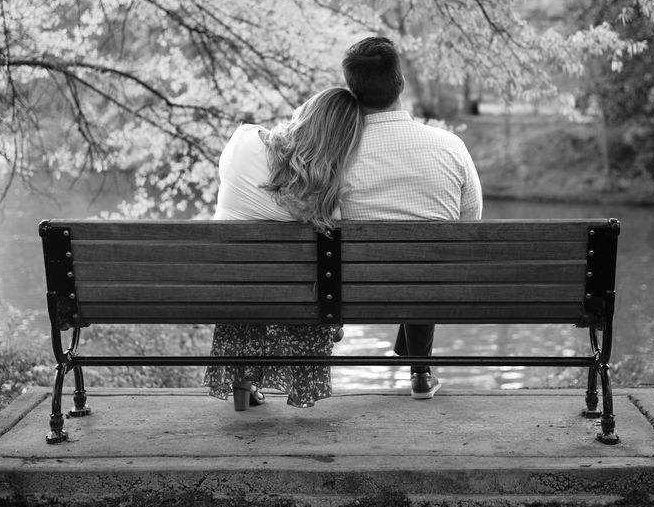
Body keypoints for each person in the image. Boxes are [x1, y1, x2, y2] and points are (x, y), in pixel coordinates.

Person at [340, 36, 482, 400]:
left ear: (352, 91)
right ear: (400, 83)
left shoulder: (336, 156)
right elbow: (470, 221)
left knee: (412, 260)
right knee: (424, 258)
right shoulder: (450, 146)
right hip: (433, 283)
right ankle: (420, 367)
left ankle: (418, 365)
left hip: (354, 288)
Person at [203, 87, 363, 410]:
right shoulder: (327, 201)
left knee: (251, 275)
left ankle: (243, 386)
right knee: (310, 284)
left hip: (226, 290)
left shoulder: (243, 142)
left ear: (304, 113)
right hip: (294, 305)